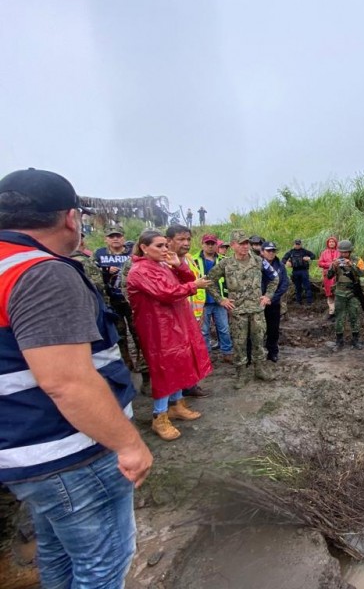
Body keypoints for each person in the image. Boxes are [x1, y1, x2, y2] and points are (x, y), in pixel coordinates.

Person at [0, 168, 152, 587]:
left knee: (58, 552)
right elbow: (65, 381)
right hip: (70, 452)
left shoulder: (7, 265)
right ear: (71, 218)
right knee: (103, 563)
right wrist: (129, 443)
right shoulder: (43, 272)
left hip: (25, 449)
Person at [127, 230, 212, 440]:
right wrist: (194, 285)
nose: (165, 249)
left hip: (176, 323)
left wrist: (179, 264)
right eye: (159, 246)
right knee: (164, 369)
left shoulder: (164, 265)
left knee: (180, 363)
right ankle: (159, 416)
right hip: (157, 328)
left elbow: (187, 280)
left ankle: (176, 404)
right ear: (144, 247)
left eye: (166, 245)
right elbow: (166, 293)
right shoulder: (139, 271)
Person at [206, 230, 278, 389]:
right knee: (239, 343)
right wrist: (221, 299)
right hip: (237, 312)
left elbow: (275, 278)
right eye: (242, 243)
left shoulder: (259, 261)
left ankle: (260, 369)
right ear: (232, 245)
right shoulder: (225, 264)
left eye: (247, 243)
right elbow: (209, 281)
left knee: (259, 341)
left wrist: (268, 296)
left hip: (257, 310)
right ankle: (241, 374)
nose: (246, 246)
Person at [166, 225, 211, 398]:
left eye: (188, 239)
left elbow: (199, 287)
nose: (186, 243)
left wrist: (199, 312)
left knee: (192, 351)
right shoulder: (164, 263)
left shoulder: (190, 260)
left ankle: (190, 385)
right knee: (176, 355)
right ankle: (174, 397)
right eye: (181, 239)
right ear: (169, 241)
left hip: (192, 314)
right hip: (173, 318)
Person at [94, 225, 139, 370]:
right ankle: (127, 364)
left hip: (131, 301)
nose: (115, 239)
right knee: (120, 335)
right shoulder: (99, 254)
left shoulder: (132, 253)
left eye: (118, 236)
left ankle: (142, 363)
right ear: (106, 239)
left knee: (138, 333)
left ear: (123, 238)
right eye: (111, 236)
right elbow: (91, 272)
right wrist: (106, 270)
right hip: (111, 301)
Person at [195, 233, 234, 363]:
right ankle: (206, 355)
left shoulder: (224, 260)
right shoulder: (195, 261)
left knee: (224, 328)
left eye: (213, 243)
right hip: (202, 301)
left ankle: (227, 352)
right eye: (208, 243)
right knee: (204, 330)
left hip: (220, 300)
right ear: (203, 244)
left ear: (216, 245)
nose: (210, 246)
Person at [326, 239, 364, 349]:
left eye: (345, 252)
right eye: (341, 252)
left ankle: (356, 340)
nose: (343, 254)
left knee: (354, 316)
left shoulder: (357, 260)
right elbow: (329, 276)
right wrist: (333, 267)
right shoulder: (336, 261)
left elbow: (362, 273)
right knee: (339, 317)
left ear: (350, 251)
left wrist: (351, 265)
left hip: (353, 292)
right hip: (340, 293)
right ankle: (339, 341)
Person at [261, 241, 288, 362]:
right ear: (262, 252)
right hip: (258, 302)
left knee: (273, 329)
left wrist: (272, 298)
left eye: (273, 251)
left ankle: (272, 352)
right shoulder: (257, 264)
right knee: (257, 330)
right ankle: (254, 353)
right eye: (268, 251)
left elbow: (284, 284)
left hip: (273, 303)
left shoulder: (280, 265)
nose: (271, 253)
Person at [282, 239, 316, 305]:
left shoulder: (304, 251)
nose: (297, 245)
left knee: (307, 286)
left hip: (304, 271)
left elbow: (313, 256)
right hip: (295, 271)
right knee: (297, 287)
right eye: (296, 244)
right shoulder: (290, 252)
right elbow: (283, 259)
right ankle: (298, 302)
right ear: (294, 244)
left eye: (298, 244)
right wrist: (287, 262)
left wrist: (309, 258)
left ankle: (309, 302)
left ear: (300, 244)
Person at [318, 236, 340, 318]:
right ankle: (332, 311)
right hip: (327, 276)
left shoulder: (339, 252)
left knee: (338, 293)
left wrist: (336, 264)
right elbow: (320, 263)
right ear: (328, 243)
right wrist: (330, 264)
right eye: (330, 242)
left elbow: (342, 262)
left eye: (333, 242)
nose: (331, 243)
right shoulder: (324, 253)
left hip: (337, 275)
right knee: (329, 293)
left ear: (335, 243)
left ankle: (338, 311)